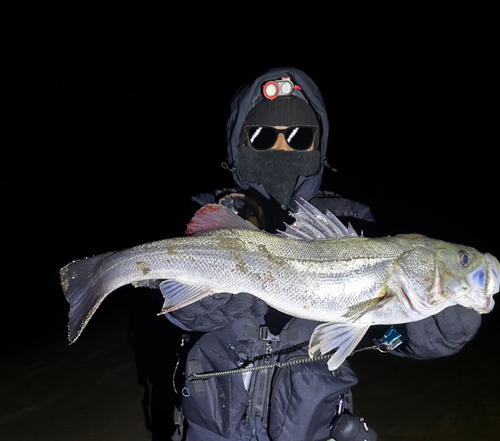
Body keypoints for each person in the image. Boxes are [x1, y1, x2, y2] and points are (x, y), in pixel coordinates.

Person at [159, 67, 482, 441]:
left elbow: (380, 332)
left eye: (299, 136)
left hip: (311, 428)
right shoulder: (211, 212)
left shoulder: (354, 222)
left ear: (319, 143)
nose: (283, 149)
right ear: (238, 145)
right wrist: (190, 307)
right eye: (262, 137)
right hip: (209, 426)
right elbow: (166, 308)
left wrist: (421, 334)